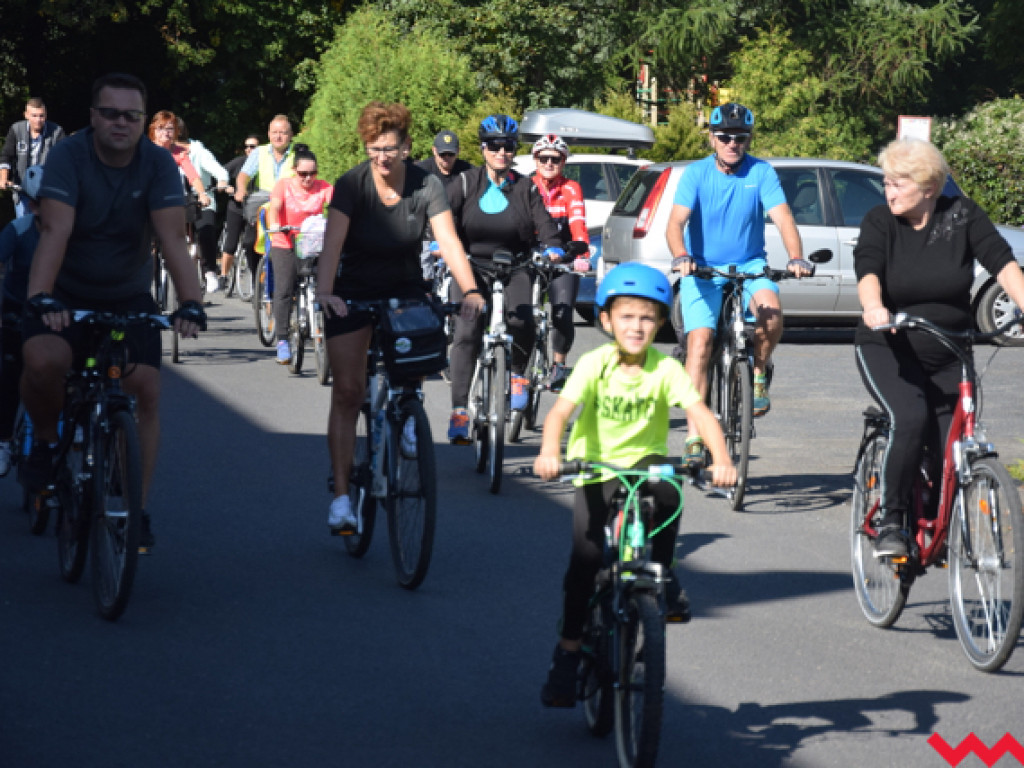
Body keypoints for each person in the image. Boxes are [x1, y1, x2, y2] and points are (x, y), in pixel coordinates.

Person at [532, 262, 737, 707]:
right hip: (595, 466)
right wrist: (551, 452)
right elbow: (560, 413)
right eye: (626, 316)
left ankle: (663, 576)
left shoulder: (665, 368)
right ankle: (567, 653)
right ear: (606, 320)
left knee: (669, 491)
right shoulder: (594, 364)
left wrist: (722, 459)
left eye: (647, 317)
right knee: (585, 562)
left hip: (644, 462)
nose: (637, 326)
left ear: (661, 322)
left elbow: (700, 413)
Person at [19, 73, 206, 553]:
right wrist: (41, 296)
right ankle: (43, 441)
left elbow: (172, 240)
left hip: (126, 293)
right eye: (110, 113)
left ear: (143, 122)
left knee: (144, 387)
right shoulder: (68, 155)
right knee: (42, 361)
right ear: (93, 117)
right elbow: (54, 232)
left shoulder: (158, 165)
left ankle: (134, 508)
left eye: (131, 115)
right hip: (64, 287)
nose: (120, 122)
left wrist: (191, 304)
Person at [316, 101, 485, 532]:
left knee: (414, 362)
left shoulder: (427, 184)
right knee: (349, 392)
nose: (382, 157)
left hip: (404, 288)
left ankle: (407, 413)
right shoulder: (352, 184)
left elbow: (448, 241)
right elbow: (332, 247)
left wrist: (470, 289)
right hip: (352, 291)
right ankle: (340, 498)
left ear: (406, 146)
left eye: (389, 148)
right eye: (374, 149)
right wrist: (326, 294)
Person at [854, 138, 1024, 558]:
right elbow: (868, 271)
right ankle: (892, 521)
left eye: (899, 183)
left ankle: (939, 519)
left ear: (929, 188)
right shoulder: (880, 222)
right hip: (890, 344)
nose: (889, 191)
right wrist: (874, 308)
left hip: (951, 346)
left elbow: (1003, 264)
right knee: (910, 418)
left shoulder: (963, 217)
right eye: (887, 182)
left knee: (951, 438)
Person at [666, 102, 812, 462]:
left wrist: (795, 257)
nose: (733, 143)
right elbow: (675, 223)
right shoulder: (696, 174)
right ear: (713, 138)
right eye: (725, 137)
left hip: (750, 266)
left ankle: (758, 372)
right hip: (702, 271)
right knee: (699, 343)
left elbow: (784, 219)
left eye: (741, 138)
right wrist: (681, 255)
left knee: (771, 314)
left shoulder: (761, 172)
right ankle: (695, 437)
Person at [444, 114, 566, 444]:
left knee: (523, 319)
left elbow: (546, 224)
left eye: (508, 146)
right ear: (483, 148)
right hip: (472, 267)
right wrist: (436, 243)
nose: (501, 152)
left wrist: (554, 247)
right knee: (467, 330)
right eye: (494, 145)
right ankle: (459, 411)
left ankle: (516, 377)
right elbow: (441, 218)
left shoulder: (525, 186)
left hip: (516, 265)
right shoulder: (466, 183)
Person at [529, 133, 590, 392]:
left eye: (556, 159)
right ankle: (516, 366)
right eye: (544, 158)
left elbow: (577, 222)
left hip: (564, 256)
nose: (549, 163)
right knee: (518, 313)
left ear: (563, 162)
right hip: (531, 256)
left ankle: (558, 365)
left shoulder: (571, 188)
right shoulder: (527, 185)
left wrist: (582, 255)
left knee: (563, 313)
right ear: (536, 160)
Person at [265, 144, 333, 364]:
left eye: (312, 173)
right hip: (285, 241)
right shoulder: (283, 186)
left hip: (312, 245)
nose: (308, 179)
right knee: (284, 289)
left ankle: (328, 328)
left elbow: (338, 206)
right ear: (294, 171)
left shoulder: (323, 187)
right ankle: (283, 339)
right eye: (303, 174)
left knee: (331, 284)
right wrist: (275, 224)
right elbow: (274, 207)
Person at [0, 166, 44, 477]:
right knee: (9, 377)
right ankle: (3, 440)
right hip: (16, 311)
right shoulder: (17, 230)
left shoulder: (73, 232)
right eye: (37, 201)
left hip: (56, 316)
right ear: (28, 203)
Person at [177, 117, 231, 293]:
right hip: (175, 201)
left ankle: (209, 271)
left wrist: (222, 181)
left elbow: (219, 170)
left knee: (206, 230)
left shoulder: (199, 152)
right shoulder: (160, 151)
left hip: (201, 199)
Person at [0, 98, 65, 217]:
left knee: (45, 229)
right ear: (26, 115)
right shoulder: (16, 130)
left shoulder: (56, 132)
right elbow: (6, 156)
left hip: (46, 192)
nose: (38, 120)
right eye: (34, 116)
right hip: (21, 190)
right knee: (25, 228)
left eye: (41, 116)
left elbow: (64, 162)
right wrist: (3, 178)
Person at [147, 111, 211, 211]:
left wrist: (202, 194)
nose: (165, 132)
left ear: (175, 131)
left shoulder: (179, 152)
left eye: (170, 129)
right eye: (160, 128)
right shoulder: (146, 149)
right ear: (153, 130)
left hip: (172, 201)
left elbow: (192, 175)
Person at [219, 134, 260, 286]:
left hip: (254, 209)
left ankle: (256, 278)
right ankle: (223, 276)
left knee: (252, 244)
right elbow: (220, 173)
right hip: (236, 208)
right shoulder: (238, 162)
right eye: (247, 146)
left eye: (253, 146)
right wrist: (226, 186)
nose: (249, 149)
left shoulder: (265, 164)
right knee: (231, 243)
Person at [233, 115, 295, 206]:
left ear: (291, 135)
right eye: (274, 132)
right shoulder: (259, 152)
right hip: (263, 199)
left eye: (283, 133)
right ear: (269, 134)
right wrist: (241, 189)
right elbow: (244, 175)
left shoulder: (299, 153)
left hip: (290, 200)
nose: (278, 136)